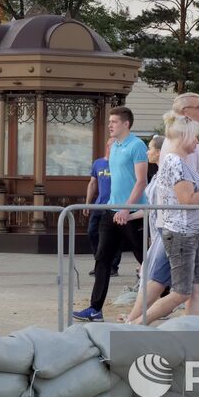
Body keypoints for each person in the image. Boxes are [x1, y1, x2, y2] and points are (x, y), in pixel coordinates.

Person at [138, 113, 199, 324]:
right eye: (195, 137)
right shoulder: (176, 163)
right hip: (181, 234)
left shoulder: (177, 162)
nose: (198, 142)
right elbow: (187, 200)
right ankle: (136, 325)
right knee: (181, 292)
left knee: (196, 286)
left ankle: (192, 330)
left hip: (190, 233)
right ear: (184, 137)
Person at [75, 106, 148, 322]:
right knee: (102, 259)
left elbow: (141, 181)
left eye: (114, 121)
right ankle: (95, 308)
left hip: (132, 213)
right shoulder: (114, 146)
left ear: (126, 124)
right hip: (111, 211)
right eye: (109, 121)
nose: (110, 125)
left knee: (145, 258)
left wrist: (126, 208)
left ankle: (167, 295)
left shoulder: (137, 146)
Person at [123, 135, 170, 324]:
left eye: (150, 148)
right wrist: (130, 216)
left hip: (164, 233)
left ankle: (135, 319)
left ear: (159, 152)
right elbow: (151, 208)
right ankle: (136, 318)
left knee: (152, 278)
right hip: (159, 233)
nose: (146, 152)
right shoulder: (158, 175)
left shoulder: (164, 176)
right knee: (151, 276)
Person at [84, 142, 119, 277]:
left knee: (114, 237)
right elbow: (92, 183)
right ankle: (100, 263)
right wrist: (88, 203)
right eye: (113, 145)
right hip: (99, 205)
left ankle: (112, 266)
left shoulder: (119, 163)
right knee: (92, 232)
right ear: (107, 147)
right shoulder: (98, 163)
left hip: (115, 206)